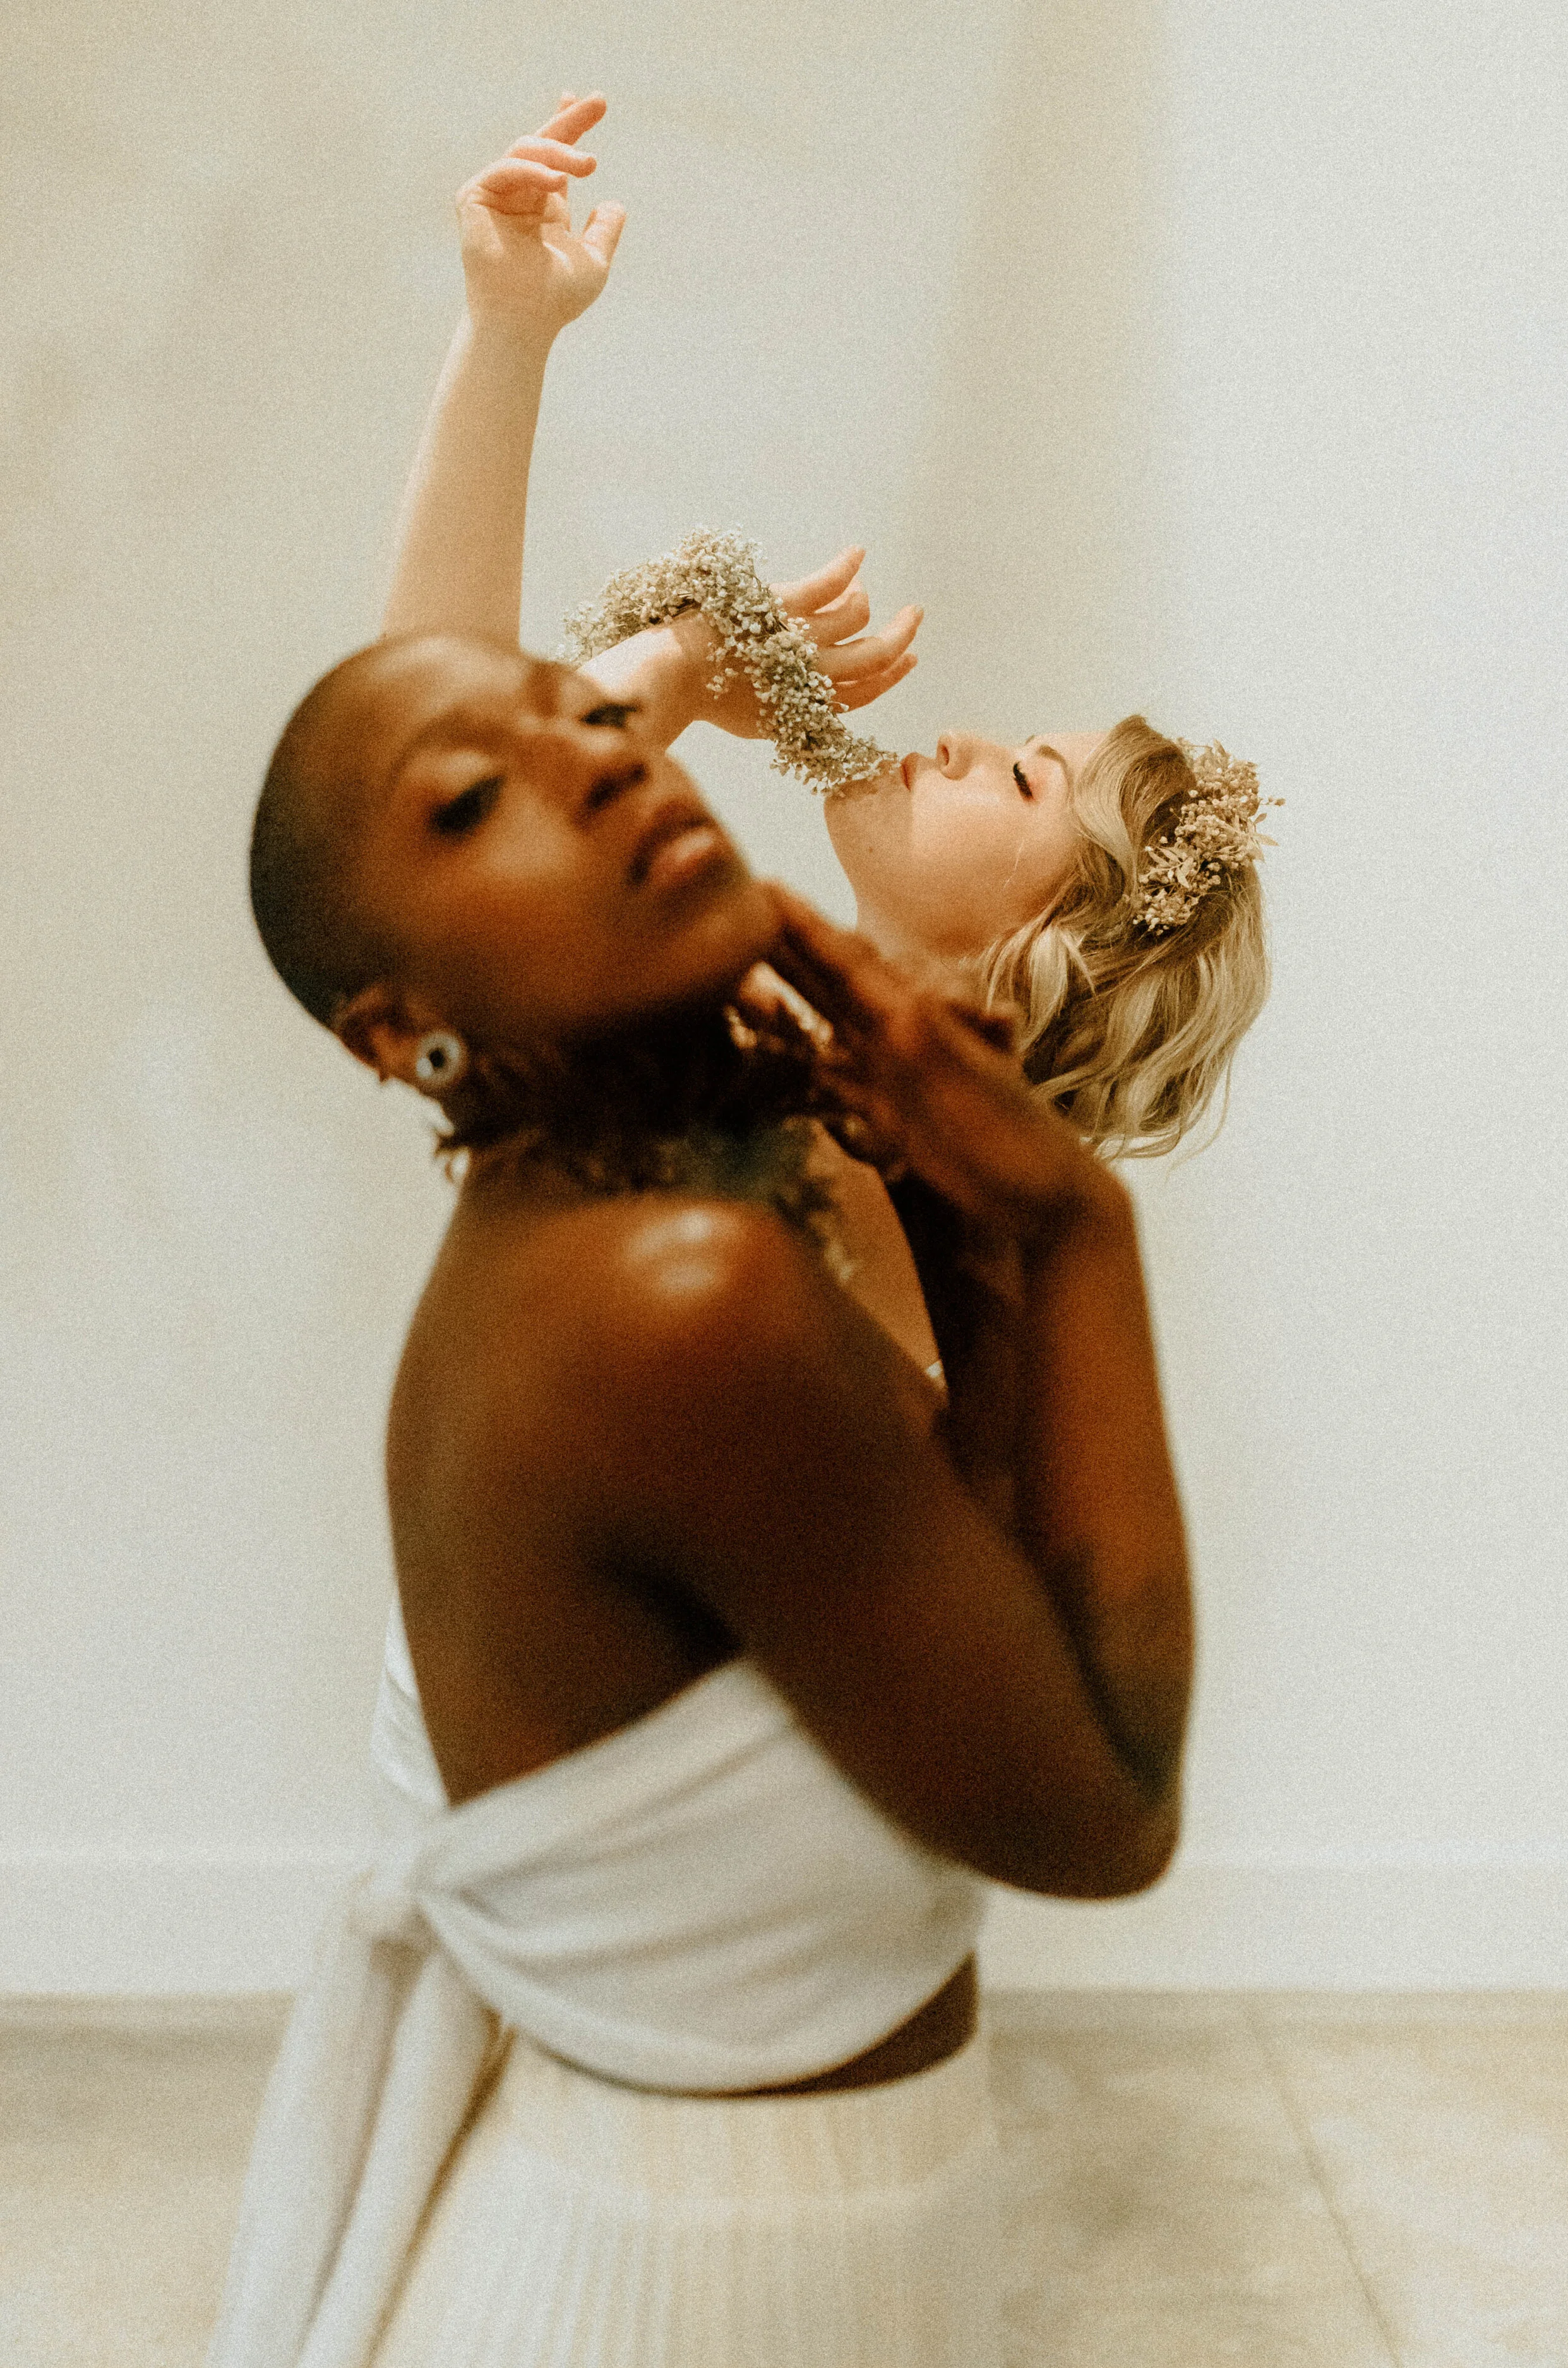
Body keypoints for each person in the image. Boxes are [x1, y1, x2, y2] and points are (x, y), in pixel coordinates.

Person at [210, 615, 1194, 2358]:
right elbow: (1107, 1817)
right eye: (473, 800)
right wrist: (1072, 1229)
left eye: (595, 720)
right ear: (396, 1029)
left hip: (732, 2219)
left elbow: (973, 1613)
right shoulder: (684, 1300)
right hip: (697, 2274)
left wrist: (963, 1229)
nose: (601, 758)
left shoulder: (599, 1199)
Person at [378, 94, 1274, 1376]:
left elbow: (431, 815)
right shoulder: (789, 1068)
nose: (960, 741)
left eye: (1027, 782)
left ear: (1043, 958)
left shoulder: (832, 1157)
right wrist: (507, 328)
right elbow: (422, 757)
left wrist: (678, 666)